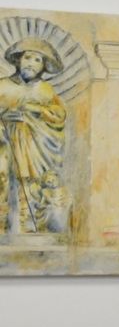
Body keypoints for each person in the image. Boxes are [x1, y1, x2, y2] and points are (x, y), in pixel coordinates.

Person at [0, 38, 68, 235]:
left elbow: (59, 115)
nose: (31, 63)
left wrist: (34, 111)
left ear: (43, 67)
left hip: (33, 146)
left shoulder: (45, 90)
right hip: (4, 144)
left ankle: (25, 224)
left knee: (29, 185)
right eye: (28, 57)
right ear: (19, 60)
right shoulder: (2, 85)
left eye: (38, 60)